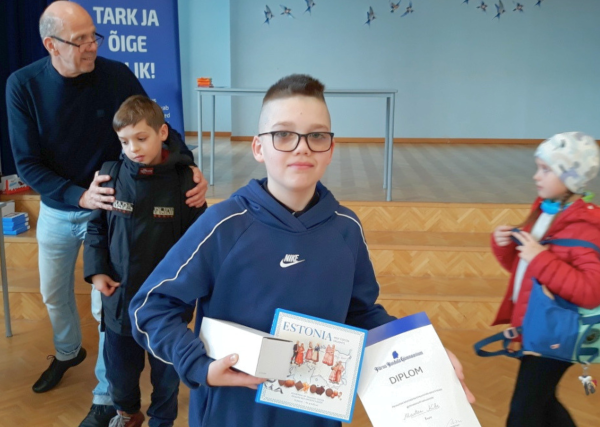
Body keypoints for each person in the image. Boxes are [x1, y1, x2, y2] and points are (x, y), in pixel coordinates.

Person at [129, 74, 474, 427]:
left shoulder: (346, 229)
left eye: (317, 136)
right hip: (232, 416)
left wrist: (423, 355)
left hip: (315, 415)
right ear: (259, 148)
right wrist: (197, 364)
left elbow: (360, 314)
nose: (302, 147)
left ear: (331, 149)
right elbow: (150, 307)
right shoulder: (223, 225)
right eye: (283, 134)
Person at [4, 2, 207, 426]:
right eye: (80, 40)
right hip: (61, 204)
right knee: (52, 294)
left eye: (93, 36)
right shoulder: (22, 85)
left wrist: (188, 166)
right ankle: (67, 352)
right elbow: (27, 164)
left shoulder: (115, 74)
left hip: (117, 206)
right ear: (51, 45)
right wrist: (79, 196)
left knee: (106, 307)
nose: (92, 46)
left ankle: (106, 398)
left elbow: (156, 125)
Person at [84, 95, 205, 427]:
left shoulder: (185, 181)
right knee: (119, 375)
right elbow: (95, 228)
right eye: (125, 141)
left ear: (162, 133)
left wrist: (189, 288)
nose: (133, 148)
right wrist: (96, 272)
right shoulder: (109, 175)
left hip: (167, 305)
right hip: (119, 298)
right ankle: (127, 413)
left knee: (166, 377)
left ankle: (162, 420)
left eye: (141, 138)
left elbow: (200, 242)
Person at [491, 132, 600, 427]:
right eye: (538, 167)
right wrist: (505, 245)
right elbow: (524, 271)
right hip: (537, 326)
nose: (536, 176)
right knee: (543, 403)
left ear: (572, 178)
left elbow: (591, 292)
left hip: (557, 333)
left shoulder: (587, 227)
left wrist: (540, 257)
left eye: (546, 169)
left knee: (523, 412)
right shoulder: (546, 210)